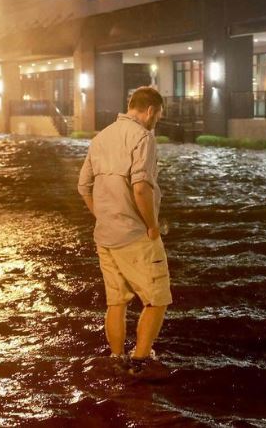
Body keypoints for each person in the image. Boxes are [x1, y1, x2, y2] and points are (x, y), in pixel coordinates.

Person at [77, 86, 171, 380]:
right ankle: (140, 361)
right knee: (157, 299)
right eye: (158, 116)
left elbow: (83, 186)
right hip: (134, 235)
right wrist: (152, 225)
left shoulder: (100, 137)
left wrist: (102, 215)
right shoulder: (143, 137)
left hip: (105, 234)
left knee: (116, 302)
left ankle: (116, 359)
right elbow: (141, 187)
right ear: (150, 111)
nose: (156, 122)